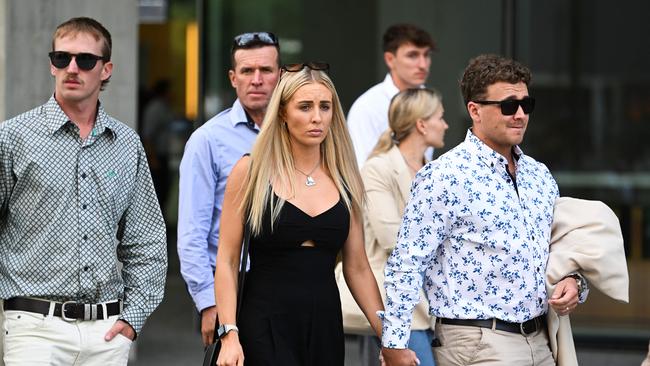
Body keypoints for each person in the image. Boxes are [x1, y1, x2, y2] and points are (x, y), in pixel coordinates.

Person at [381, 54, 588, 366]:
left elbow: (562, 249)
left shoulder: (539, 175)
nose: (519, 114)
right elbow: (407, 264)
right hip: (477, 345)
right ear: (474, 110)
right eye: (507, 106)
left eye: (526, 104)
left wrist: (575, 282)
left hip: (543, 341)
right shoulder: (444, 176)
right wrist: (394, 344)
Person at [214, 63, 417, 366]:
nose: (316, 117)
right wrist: (229, 333)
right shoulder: (251, 171)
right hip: (263, 322)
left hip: (324, 325)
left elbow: (358, 267)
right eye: (305, 107)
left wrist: (389, 339)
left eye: (325, 107)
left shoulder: (345, 177)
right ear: (282, 113)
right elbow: (228, 261)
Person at [0, 17, 167, 365]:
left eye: (85, 60)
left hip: (106, 333)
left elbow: (147, 238)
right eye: (62, 58)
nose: (72, 68)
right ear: (51, 64)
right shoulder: (13, 137)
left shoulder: (126, 144)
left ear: (106, 70)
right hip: (33, 327)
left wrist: (132, 320)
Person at [177, 31, 280, 346]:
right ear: (233, 78)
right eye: (247, 71)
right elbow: (191, 234)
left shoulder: (299, 133)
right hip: (235, 287)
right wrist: (208, 303)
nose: (257, 79)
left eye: (265, 70)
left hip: (290, 283)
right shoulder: (208, 141)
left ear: (280, 75)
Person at [338, 88, 447, 365]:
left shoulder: (433, 169)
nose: (445, 125)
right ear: (421, 124)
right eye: (440, 118)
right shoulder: (378, 169)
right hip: (394, 302)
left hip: (431, 304)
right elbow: (392, 238)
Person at [347, 23, 436, 166]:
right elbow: (362, 170)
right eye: (412, 55)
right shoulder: (367, 107)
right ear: (390, 59)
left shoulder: (432, 103)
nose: (423, 64)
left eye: (426, 55)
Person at [141, 79, 175, 216]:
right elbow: (148, 135)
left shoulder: (164, 107)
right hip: (156, 158)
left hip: (164, 156)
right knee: (158, 195)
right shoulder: (155, 108)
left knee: (165, 194)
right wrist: (153, 159)